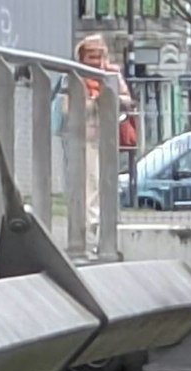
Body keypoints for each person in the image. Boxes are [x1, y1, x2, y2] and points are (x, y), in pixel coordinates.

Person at [58, 34, 136, 252]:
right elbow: (67, 108)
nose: (95, 61)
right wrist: (90, 103)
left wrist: (111, 98)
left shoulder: (112, 74)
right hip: (84, 138)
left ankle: (105, 228)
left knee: (106, 182)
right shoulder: (75, 76)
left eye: (98, 55)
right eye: (90, 56)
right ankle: (91, 230)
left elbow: (127, 100)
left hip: (108, 138)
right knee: (90, 183)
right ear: (81, 57)